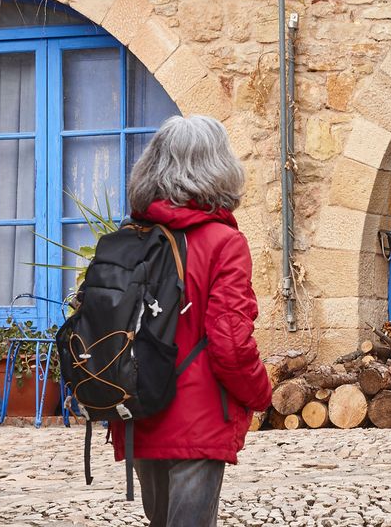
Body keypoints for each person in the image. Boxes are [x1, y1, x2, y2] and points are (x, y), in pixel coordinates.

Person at [111, 114, 273, 527]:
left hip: (139, 406)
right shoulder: (224, 243)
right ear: (220, 167)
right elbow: (231, 342)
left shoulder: (130, 236)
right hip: (197, 413)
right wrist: (260, 392)